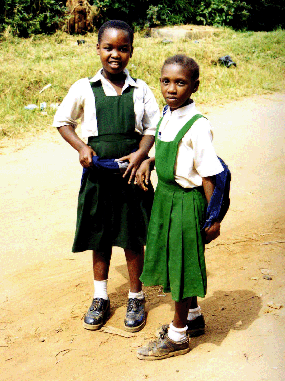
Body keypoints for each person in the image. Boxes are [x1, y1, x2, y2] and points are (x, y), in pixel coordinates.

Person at [53, 20, 160, 333]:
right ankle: (100, 297)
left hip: (131, 174)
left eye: (123, 48)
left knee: (131, 236)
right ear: (98, 49)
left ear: (131, 52)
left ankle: (136, 296)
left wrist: (141, 155)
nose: (116, 54)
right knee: (100, 235)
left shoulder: (141, 89)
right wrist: (81, 148)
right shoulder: (84, 88)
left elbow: (153, 127)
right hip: (99, 171)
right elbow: (63, 121)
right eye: (109, 47)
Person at [135, 54, 224, 360]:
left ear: (194, 86)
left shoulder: (198, 126)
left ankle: (178, 336)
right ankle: (194, 318)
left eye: (180, 82)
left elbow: (211, 174)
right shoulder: (168, 115)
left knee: (183, 266)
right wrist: (149, 161)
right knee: (175, 261)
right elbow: (165, 150)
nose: (171, 88)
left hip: (187, 203)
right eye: (165, 81)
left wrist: (213, 217)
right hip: (166, 199)